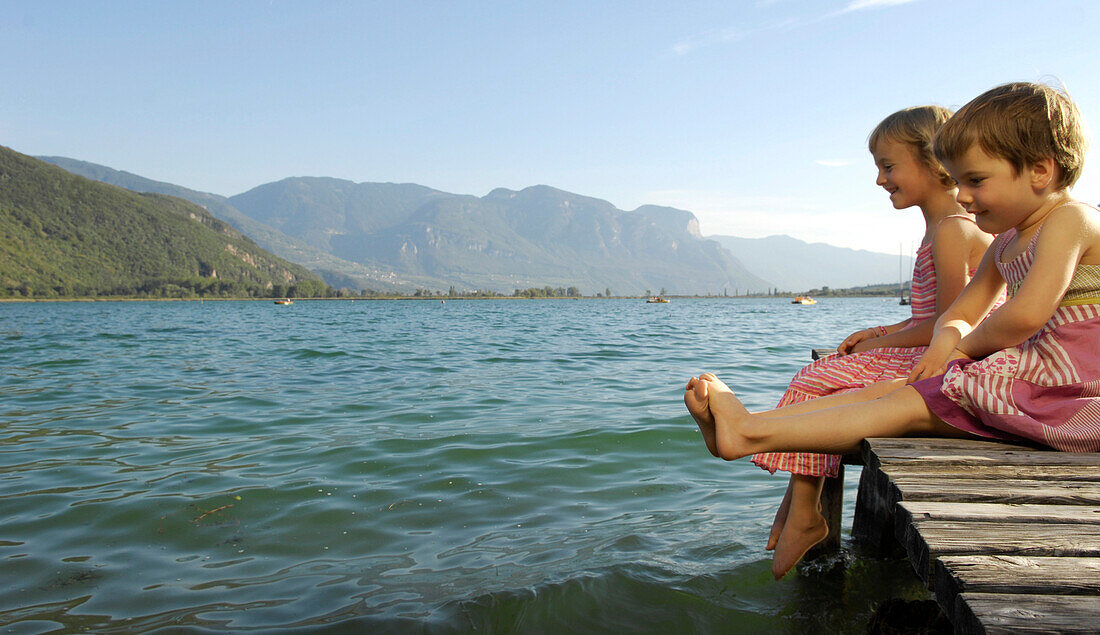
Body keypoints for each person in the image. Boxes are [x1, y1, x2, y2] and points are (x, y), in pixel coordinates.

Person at [685, 81, 1097, 580]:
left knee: (909, 403)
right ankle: (748, 429)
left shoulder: (1070, 220)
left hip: (1074, 396)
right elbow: (961, 310)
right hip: (1037, 381)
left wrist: (958, 345)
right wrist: (947, 338)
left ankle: (750, 433)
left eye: (975, 180)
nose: (962, 194)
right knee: (894, 391)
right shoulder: (1006, 240)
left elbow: (1026, 315)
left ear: (1039, 170)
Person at [748, 105, 997, 580]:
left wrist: (878, 346)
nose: (881, 180)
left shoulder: (952, 230)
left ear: (932, 161)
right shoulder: (941, 228)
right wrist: (881, 334)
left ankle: (803, 513)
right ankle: (798, 505)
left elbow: (949, 322)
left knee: (814, 379)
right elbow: (931, 315)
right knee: (822, 378)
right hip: (933, 349)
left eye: (888, 166)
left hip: (946, 363)